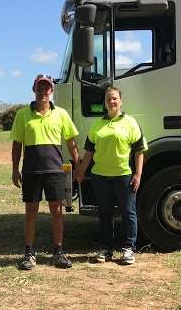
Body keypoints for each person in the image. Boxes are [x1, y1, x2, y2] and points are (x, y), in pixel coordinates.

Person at [11, 74, 79, 270]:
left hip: (55, 171)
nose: (43, 91)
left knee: (57, 212)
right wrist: (15, 170)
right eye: (39, 88)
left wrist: (79, 165)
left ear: (52, 90)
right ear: (34, 89)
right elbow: (17, 144)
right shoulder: (22, 114)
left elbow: (71, 142)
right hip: (31, 171)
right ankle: (29, 254)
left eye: (46, 88)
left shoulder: (61, 114)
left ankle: (58, 253)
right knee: (31, 212)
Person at [74, 86, 146, 265]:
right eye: (108, 99)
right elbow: (89, 151)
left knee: (128, 213)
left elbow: (139, 151)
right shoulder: (97, 124)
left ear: (121, 101)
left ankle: (128, 249)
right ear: (105, 103)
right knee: (104, 214)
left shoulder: (130, 123)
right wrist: (81, 171)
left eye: (114, 98)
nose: (112, 102)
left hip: (123, 176)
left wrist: (138, 174)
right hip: (100, 177)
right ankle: (106, 249)